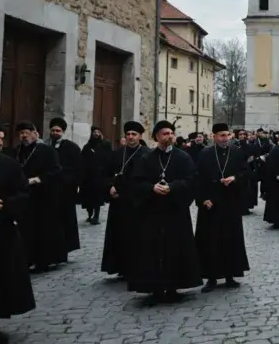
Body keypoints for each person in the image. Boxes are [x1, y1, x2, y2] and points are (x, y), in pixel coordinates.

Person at [127, 121, 201, 303]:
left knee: (175, 248)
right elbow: (136, 183)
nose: (169, 136)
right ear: (156, 137)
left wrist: (173, 187)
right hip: (152, 211)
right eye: (164, 133)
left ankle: (175, 286)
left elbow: (192, 180)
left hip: (175, 211)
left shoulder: (183, 158)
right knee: (153, 249)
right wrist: (152, 188)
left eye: (171, 133)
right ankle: (155, 287)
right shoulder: (146, 159)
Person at [0, 117, 36, 344]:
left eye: (2, 138)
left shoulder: (9, 164)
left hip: (1, 233)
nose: (0, 143)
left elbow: (23, 193)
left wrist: (6, 205)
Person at [194, 123, 249, 292]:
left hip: (230, 203)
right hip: (211, 204)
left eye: (227, 135)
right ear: (214, 137)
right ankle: (211, 278)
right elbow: (197, 178)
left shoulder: (237, 152)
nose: (224, 139)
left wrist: (234, 178)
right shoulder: (205, 154)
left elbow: (246, 173)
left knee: (230, 239)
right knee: (210, 241)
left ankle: (230, 276)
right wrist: (202, 199)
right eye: (221, 136)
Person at [6, 121, 67, 271]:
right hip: (24, 197)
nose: (24, 136)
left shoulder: (46, 151)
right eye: (21, 133)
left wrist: (38, 179)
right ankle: (27, 259)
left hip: (43, 196)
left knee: (42, 229)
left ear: (35, 133)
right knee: (25, 230)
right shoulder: (15, 152)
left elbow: (56, 171)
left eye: (27, 132)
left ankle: (44, 260)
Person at [101, 122, 148, 278]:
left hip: (136, 202)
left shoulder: (147, 154)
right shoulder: (117, 153)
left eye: (134, 134)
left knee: (136, 235)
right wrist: (110, 186)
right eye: (128, 134)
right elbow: (106, 173)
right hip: (118, 201)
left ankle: (136, 267)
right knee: (119, 234)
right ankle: (120, 266)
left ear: (140, 136)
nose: (130, 137)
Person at [46, 117, 82, 253]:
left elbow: (78, 168)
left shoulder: (71, 147)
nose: (55, 133)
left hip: (66, 188)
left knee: (66, 218)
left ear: (63, 132)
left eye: (58, 130)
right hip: (51, 188)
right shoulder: (46, 146)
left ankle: (67, 246)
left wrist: (72, 183)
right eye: (53, 130)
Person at [79, 127, 111, 224]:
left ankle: (96, 216)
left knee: (97, 197)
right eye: (94, 132)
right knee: (88, 197)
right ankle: (89, 214)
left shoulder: (105, 145)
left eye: (98, 132)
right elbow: (82, 159)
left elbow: (109, 158)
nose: (96, 134)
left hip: (99, 176)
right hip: (88, 176)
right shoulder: (87, 146)